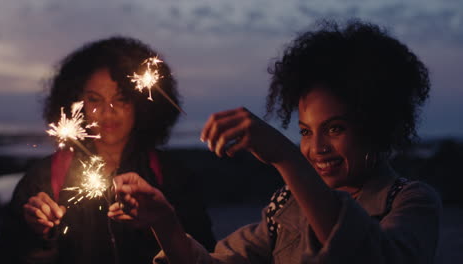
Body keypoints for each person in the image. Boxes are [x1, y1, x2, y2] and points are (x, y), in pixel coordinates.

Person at [108, 20, 442, 264]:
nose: (317, 147)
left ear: (379, 125)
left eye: (336, 128)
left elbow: (368, 256)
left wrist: (285, 156)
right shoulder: (286, 207)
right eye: (306, 132)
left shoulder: (411, 202)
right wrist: (165, 220)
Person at [0, 36, 215, 264]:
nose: (107, 112)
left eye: (121, 99)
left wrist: (163, 221)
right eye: (94, 100)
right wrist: (37, 234)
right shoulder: (42, 179)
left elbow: (206, 255)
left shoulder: (172, 177)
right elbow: (8, 253)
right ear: (75, 102)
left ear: (140, 103)